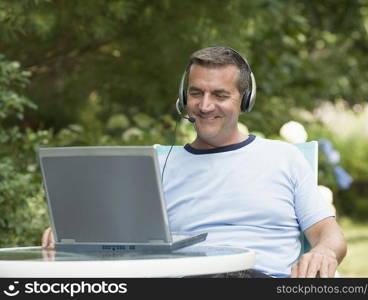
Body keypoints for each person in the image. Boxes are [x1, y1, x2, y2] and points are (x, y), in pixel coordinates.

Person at [42, 46, 347, 278]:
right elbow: (118, 235)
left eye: (219, 94)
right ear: (182, 98)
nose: (204, 105)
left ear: (244, 99)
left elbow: (328, 234)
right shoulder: (157, 165)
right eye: (196, 93)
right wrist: (74, 234)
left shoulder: (284, 158)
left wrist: (323, 252)